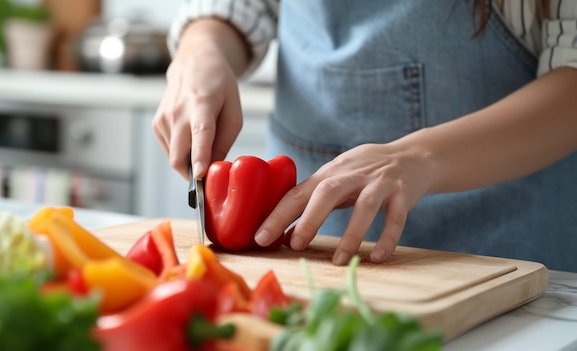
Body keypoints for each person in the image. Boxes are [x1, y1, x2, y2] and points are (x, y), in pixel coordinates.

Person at [153, 0, 577, 272]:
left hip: (508, 249)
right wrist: (201, 47)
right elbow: (238, 7)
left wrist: (418, 158)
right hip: (308, 262)